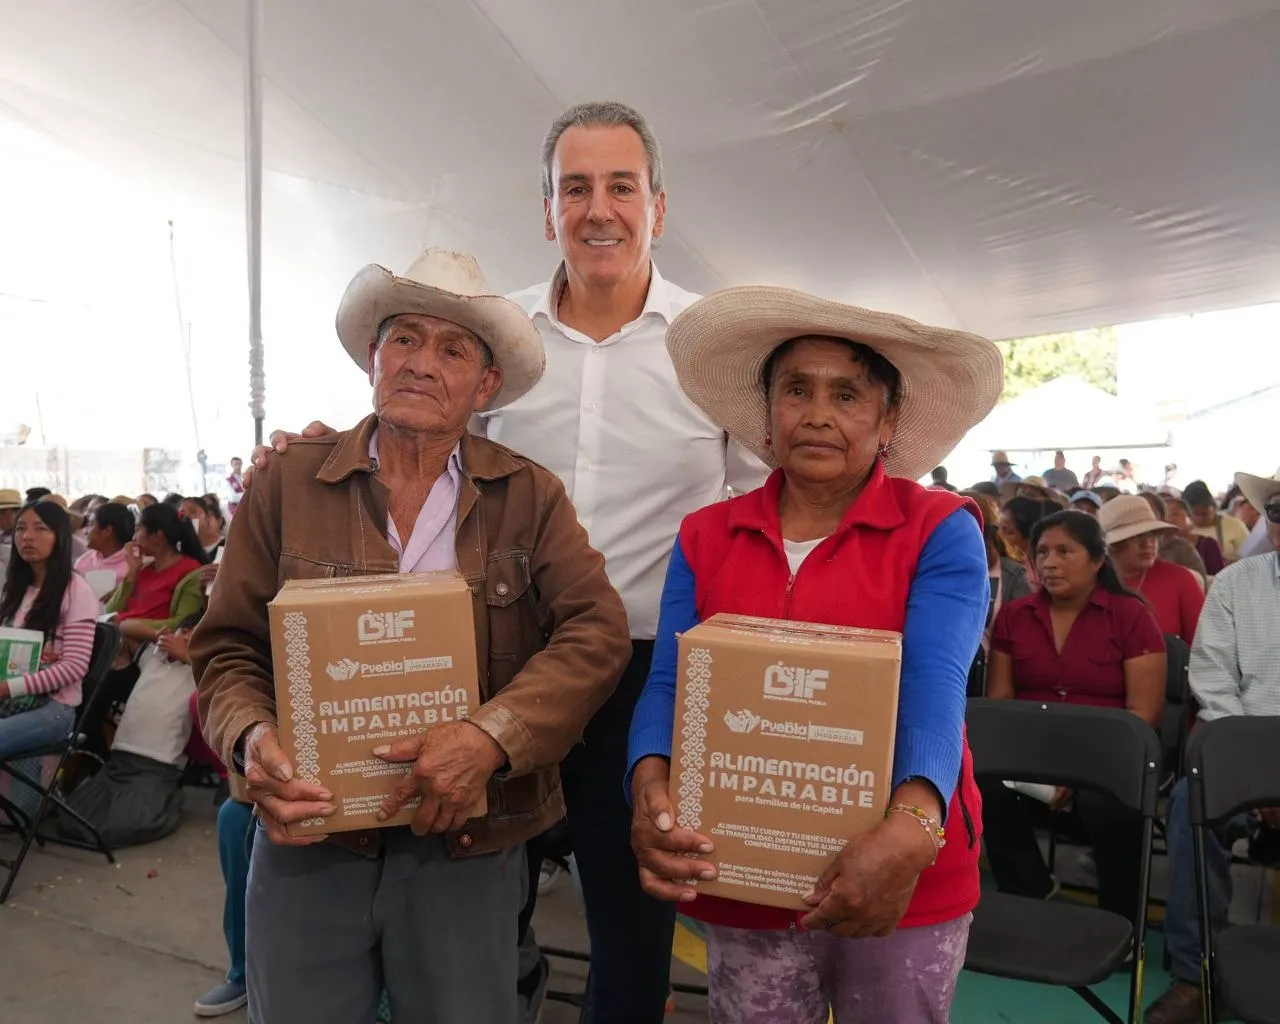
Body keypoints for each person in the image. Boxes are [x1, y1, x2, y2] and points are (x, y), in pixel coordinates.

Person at [248, 100, 768, 1024]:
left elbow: (757, 516)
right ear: (547, 209)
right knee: (482, 885)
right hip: (484, 663)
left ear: (659, 204)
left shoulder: (710, 347)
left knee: (630, 907)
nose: (597, 209)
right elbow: (418, 448)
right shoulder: (495, 338)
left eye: (620, 186)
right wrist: (319, 448)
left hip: (648, 668)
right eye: (575, 188)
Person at [191, 246, 632, 1024]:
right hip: (311, 832)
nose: (423, 363)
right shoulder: (289, 481)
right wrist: (252, 738)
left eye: (454, 348)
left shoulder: (528, 495)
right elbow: (226, 645)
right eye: (405, 339)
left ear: (486, 384)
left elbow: (596, 633)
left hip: (464, 836)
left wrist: (490, 737)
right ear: (372, 357)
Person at [627, 284, 1002, 1021]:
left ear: (888, 417)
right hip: (745, 862)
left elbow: (935, 686)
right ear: (768, 412)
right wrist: (648, 787)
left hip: (903, 869)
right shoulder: (707, 534)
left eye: (848, 394)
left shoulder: (939, 527)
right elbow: (670, 683)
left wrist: (912, 826)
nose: (819, 414)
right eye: (796, 390)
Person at [982, 510, 1165, 923]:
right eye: (1042, 552)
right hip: (1029, 749)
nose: (1049, 562)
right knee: (984, 781)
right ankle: (1030, 891)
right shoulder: (1015, 616)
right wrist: (1040, 762)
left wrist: (1078, 766)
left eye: (1065, 551)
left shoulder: (1131, 616)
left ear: (1098, 559)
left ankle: (1119, 923)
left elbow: (1144, 712)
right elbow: (1001, 701)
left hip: (1108, 753)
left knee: (1112, 802)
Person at [1144, 470, 1280, 1024]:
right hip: (1242, 756)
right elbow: (1214, 684)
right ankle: (1195, 973)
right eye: (1277, 508)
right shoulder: (1235, 585)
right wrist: (1257, 773)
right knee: (1190, 808)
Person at [0, 502, 100, 759]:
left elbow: (75, 667)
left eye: (40, 529)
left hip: (53, 708)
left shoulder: (75, 589)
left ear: (60, 537)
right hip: (9, 701)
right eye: (21, 529)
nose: (27, 537)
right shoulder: (16, 588)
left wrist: (8, 688)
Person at [104, 503, 207, 662]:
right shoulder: (144, 568)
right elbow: (110, 610)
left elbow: (182, 622)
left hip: (152, 647)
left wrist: (130, 625)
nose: (133, 538)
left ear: (157, 535)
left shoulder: (191, 571)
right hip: (120, 637)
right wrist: (132, 572)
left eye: (138, 530)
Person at [1100, 495, 1204, 644]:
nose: (1147, 543)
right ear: (1112, 545)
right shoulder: (1090, 581)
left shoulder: (1180, 579)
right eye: (1136, 536)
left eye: (1153, 535)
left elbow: (1202, 647)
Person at [1182, 479, 1250, 562]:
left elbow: (1249, 558)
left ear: (1214, 508)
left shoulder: (1235, 525)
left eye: (1204, 514)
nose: (1198, 519)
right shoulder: (1182, 529)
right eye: (1193, 514)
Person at [75, 501, 135, 591]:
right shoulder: (83, 562)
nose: (86, 532)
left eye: (91, 525)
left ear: (107, 531)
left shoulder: (136, 562)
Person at [997, 496, 1056, 588]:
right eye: (997, 527)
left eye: (1007, 531)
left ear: (1029, 537)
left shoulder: (1040, 573)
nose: (998, 534)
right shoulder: (995, 560)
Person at [1163, 496, 1224, 576]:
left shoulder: (1208, 545)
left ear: (1190, 518)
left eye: (1174, 514)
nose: (1168, 519)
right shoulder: (1156, 549)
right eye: (1163, 515)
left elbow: (1219, 578)